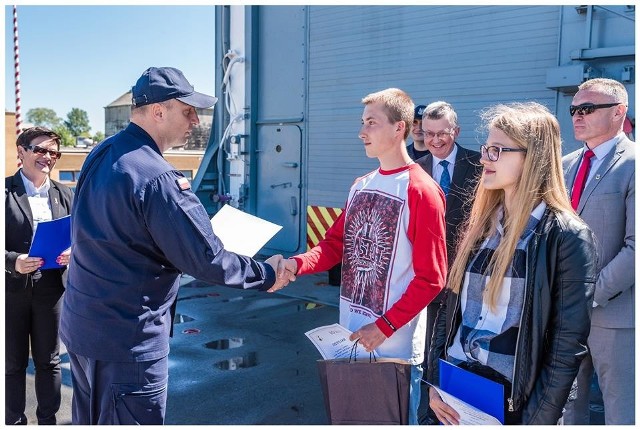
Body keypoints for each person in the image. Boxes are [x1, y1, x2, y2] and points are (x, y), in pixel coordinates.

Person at [59, 66, 293, 425]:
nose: (196, 121)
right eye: (187, 110)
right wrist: (267, 274)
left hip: (84, 328)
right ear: (158, 112)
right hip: (127, 341)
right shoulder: (159, 178)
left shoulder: (102, 154)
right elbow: (208, 260)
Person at [273, 88, 447, 424]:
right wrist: (296, 264)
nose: (361, 132)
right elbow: (334, 244)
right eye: (362, 122)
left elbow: (432, 278)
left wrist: (384, 326)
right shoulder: (361, 185)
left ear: (400, 128)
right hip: (350, 339)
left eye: (371, 123)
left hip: (392, 351)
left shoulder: (422, 191)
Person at [426, 102, 597, 425]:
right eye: (485, 149)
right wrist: (435, 383)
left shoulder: (567, 237)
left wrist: (534, 422)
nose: (483, 159)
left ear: (532, 156)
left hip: (512, 404)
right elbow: (449, 316)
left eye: (496, 150)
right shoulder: (481, 227)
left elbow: (564, 352)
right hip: (456, 393)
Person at [561, 78, 635, 425]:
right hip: (564, 316)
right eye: (575, 109)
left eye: (588, 109)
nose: (577, 116)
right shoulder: (565, 165)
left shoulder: (633, 164)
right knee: (566, 409)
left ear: (619, 113)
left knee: (622, 413)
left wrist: (588, 294)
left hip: (616, 317)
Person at [5, 127, 73, 425]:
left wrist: (73, 253)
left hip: (51, 289)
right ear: (21, 151)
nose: (48, 157)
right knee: (12, 364)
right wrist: (13, 260)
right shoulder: (5, 191)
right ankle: (14, 421)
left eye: (54, 153)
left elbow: (81, 238)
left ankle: (48, 421)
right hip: (11, 290)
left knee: (49, 362)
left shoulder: (65, 193)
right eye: (40, 150)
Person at [415, 101, 481, 382]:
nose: (435, 140)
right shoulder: (415, 169)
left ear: (456, 131)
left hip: (468, 267)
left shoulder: (479, 164)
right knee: (431, 340)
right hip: (428, 271)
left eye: (442, 133)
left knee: (465, 340)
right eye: (429, 133)